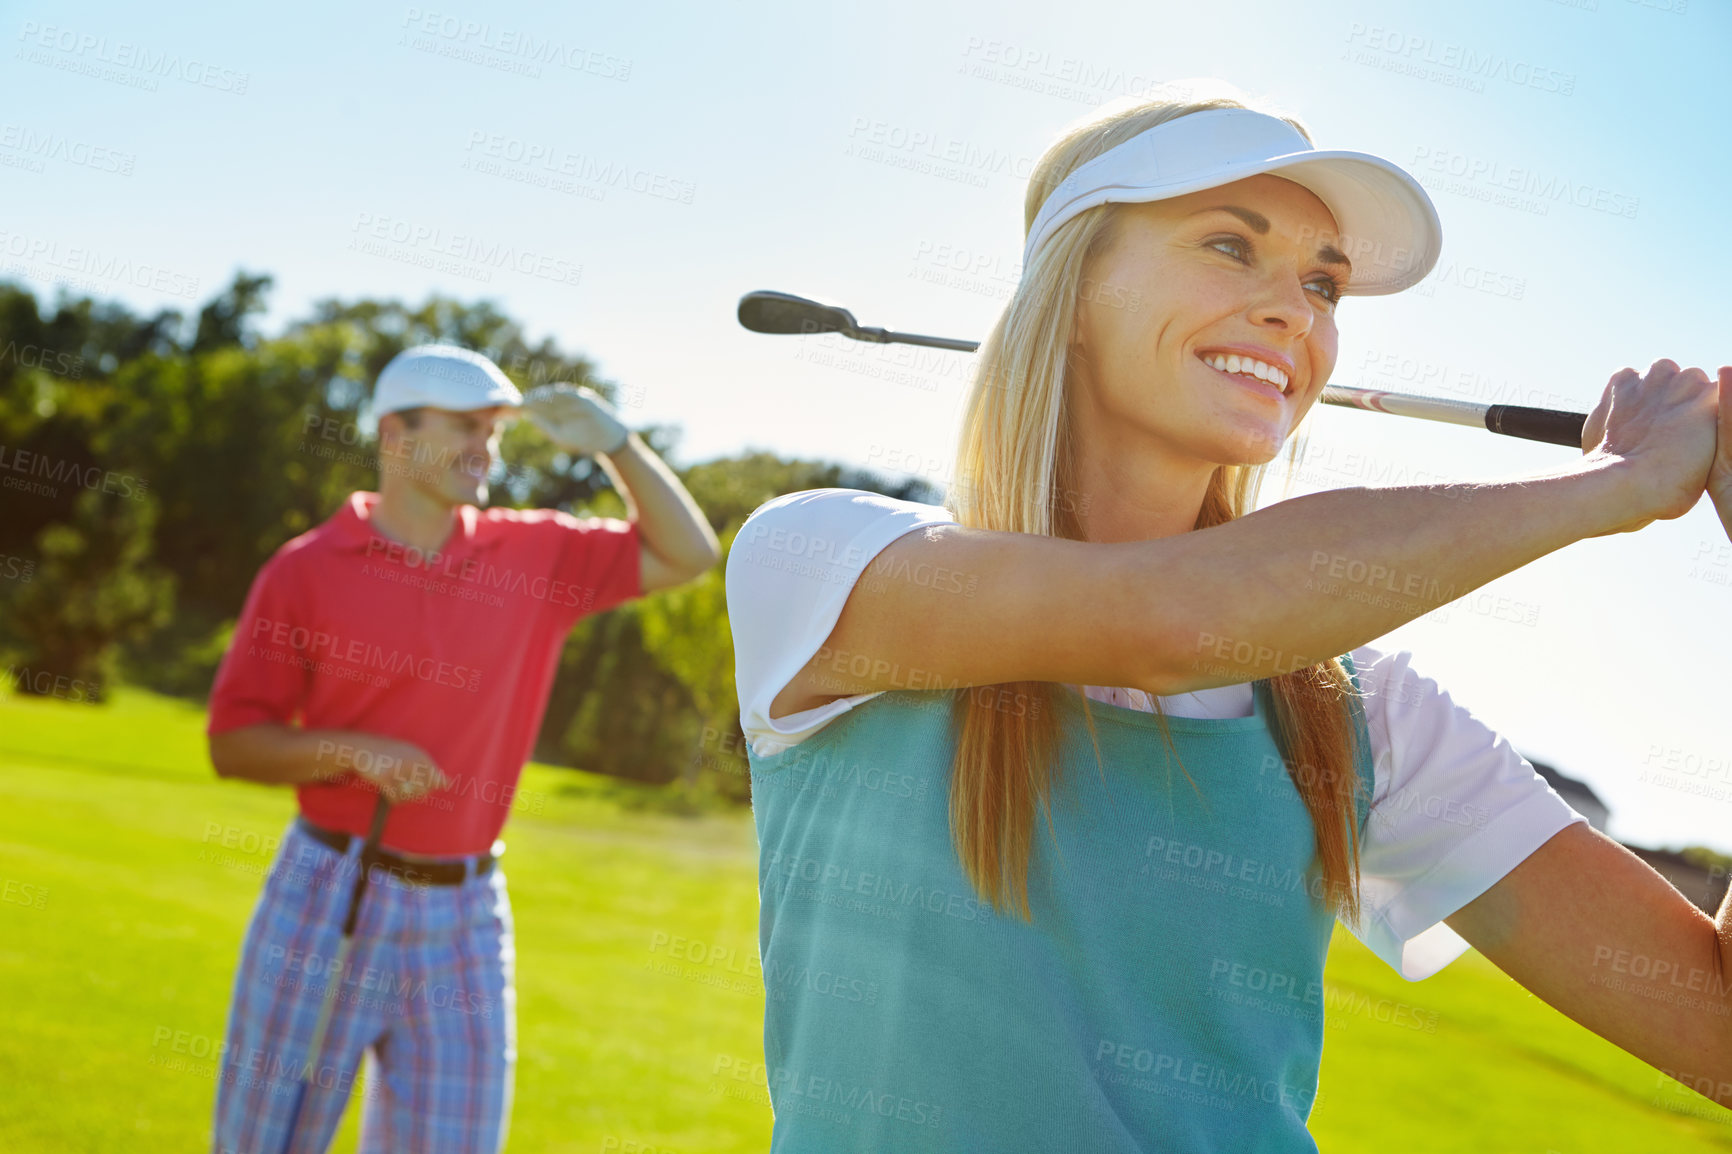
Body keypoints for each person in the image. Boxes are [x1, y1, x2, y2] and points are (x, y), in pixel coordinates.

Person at [724, 89, 1732, 1152]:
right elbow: (1175, 622)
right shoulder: (819, 558)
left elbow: (1715, 1030)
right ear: (1068, 288)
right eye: (1227, 246)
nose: (1293, 311)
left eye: (1320, 282)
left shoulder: (1361, 709)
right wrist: (1612, 489)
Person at [204, 344, 720, 1153]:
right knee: (266, 1140)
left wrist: (619, 445)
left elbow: (691, 554)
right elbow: (235, 744)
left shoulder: (536, 555)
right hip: (326, 891)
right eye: (466, 428)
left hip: (465, 913)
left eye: (496, 431)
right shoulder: (305, 570)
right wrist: (353, 752)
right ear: (395, 434)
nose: (488, 449)